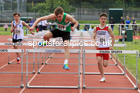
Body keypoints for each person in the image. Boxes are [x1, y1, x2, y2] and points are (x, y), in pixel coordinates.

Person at [92, 13, 115, 82]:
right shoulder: (96, 28)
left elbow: (113, 37)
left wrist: (112, 46)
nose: (103, 20)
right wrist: (95, 43)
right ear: (99, 19)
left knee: (105, 65)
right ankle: (103, 76)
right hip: (99, 47)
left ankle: (103, 68)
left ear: (106, 20)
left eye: (104, 19)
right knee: (99, 61)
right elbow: (93, 37)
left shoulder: (108, 28)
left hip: (106, 47)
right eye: (102, 19)